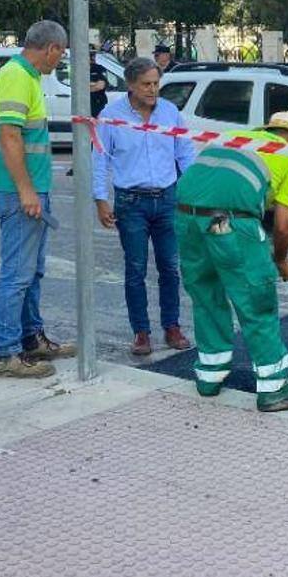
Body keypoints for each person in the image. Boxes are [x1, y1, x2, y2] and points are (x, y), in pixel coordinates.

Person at [174, 111, 288, 412]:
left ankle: (209, 377)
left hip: (185, 218)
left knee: (206, 296)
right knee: (257, 301)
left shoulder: (231, 138)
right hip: (230, 222)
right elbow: (283, 226)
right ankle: (276, 389)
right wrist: (281, 259)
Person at [0, 20, 77, 378]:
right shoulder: (17, 76)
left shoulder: (27, 76)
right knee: (17, 275)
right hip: (18, 193)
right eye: (61, 53)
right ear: (51, 48)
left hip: (29, 190)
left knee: (31, 273)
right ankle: (6, 355)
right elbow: (9, 136)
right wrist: (26, 190)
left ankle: (31, 339)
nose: (60, 60)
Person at [92, 57, 196, 356]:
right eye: (146, 84)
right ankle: (141, 332)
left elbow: (185, 154)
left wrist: (192, 192)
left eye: (156, 83)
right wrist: (101, 200)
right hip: (131, 203)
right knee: (135, 269)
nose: (152, 90)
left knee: (170, 267)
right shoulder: (111, 116)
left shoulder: (170, 112)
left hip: (167, 199)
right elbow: (99, 159)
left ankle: (172, 326)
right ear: (130, 85)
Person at [88, 49, 108, 118]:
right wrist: (92, 85)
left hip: (97, 102)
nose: (92, 58)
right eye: (90, 56)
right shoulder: (78, 69)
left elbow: (99, 86)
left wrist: (85, 87)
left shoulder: (98, 68)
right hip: (84, 103)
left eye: (93, 56)